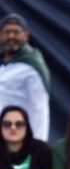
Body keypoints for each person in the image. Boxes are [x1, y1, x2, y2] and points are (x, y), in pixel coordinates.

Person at [0, 13, 51, 141]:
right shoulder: (3, 64)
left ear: (26, 35)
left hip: (19, 139)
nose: (11, 36)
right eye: (7, 32)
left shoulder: (32, 66)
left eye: (16, 32)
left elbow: (40, 109)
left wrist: (39, 144)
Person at [0, 105, 52, 169]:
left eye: (19, 124)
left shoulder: (42, 150)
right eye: (7, 124)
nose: (13, 128)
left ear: (27, 127)